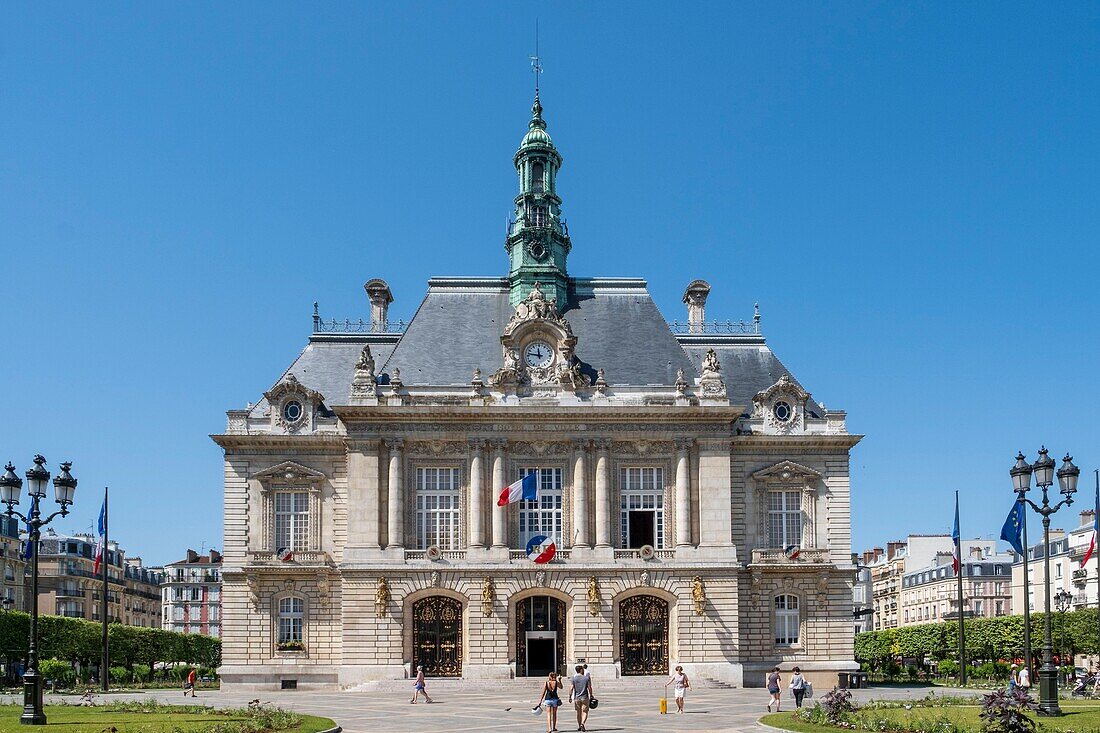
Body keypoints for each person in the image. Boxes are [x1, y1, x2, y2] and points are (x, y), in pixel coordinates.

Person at [569, 664, 593, 732]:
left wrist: (570, 696)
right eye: (582, 669)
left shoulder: (573, 678)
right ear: (581, 670)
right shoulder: (586, 678)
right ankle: (582, 724)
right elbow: (589, 688)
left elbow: (571, 688)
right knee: (585, 711)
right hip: (585, 697)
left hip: (577, 698)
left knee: (578, 713)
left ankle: (579, 726)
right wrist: (591, 695)